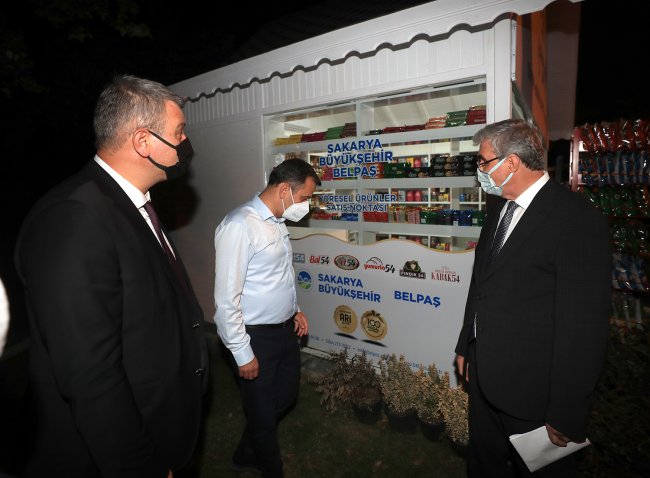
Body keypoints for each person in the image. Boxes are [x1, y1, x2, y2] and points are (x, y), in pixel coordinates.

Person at [14, 74, 208, 478]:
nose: (186, 142)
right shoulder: (74, 218)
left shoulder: (129, 204)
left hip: (161, 429)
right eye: (179, 132)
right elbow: (91, 375)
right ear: (143, 141)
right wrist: (142, 467)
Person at [454, 119, 611, 477]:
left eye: (484, 161)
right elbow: (481, 286)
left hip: (534, 394)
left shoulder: (576, 220)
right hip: (485, 380)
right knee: (483, 466)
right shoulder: (499, 209)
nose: (479, 169)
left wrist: (567, 411)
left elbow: (584, 328)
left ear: (511, 162)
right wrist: (467, 346)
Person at [213, 158, 319, 477]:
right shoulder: (239, 225)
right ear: (284, 189)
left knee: (285, 397)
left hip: (285, 332)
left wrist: (295, 310)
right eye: (304, 198)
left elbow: (280, 275)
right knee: (262, 415)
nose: (307, 206)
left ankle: (246, 452)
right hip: (255, 337)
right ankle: (271, 468)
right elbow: (226, 298)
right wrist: (241, 352)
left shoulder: (277, 221)